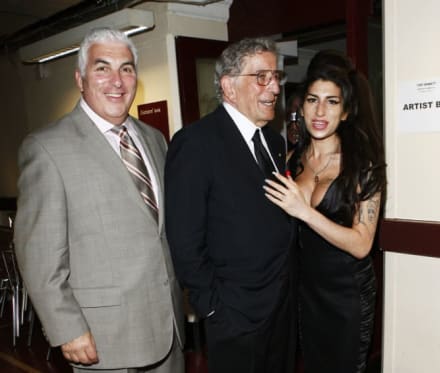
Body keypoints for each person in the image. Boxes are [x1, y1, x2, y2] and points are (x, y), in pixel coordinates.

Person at [14, 27, 184, 373]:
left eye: (126, 68)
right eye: (102, 68)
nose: (116, 81)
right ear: (80, 78)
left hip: (168, 329)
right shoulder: (47, 148)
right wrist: (67, 329)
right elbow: (39, 253)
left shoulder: (155, 139)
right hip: (105, 339)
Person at [165, 37, 296, 373]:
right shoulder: (195, 143)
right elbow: (184, 239)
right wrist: (212, 307)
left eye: (276, 77)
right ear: (229, 86)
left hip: (281, 308)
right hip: (233, 315)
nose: (275, 87)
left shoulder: (273, 142)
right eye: (262, 77)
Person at [264, 52, 386, 373]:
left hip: (347, 294)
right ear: (300, 107)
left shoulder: (363, 167)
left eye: (332, 102)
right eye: (313, 100)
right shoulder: (290, 161)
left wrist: (304, 212)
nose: (320, 111)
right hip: (306, 291)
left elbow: (362, 244)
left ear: (345, 112)